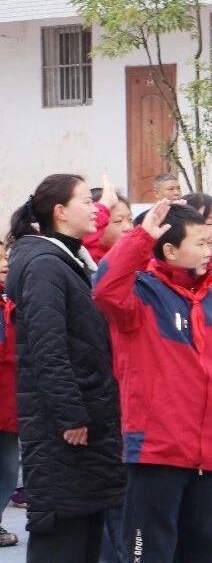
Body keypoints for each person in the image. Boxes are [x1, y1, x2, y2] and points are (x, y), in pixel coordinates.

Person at [92, 200, 212, 563]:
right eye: (200, 243)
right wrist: (140, 237)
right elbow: (105, 287)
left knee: (205, 551)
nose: (209, 251)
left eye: (210, 242)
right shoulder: (140, 296)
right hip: (159, 450)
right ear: (171, 250)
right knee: (151, 551)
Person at [5, 173, 126, 562]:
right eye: (86, 202)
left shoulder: (67, 259)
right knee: (63, 532)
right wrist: (71, 414)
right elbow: (48, 348)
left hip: (88, 418)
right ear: (60, 211)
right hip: (65, 427)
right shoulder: (45, 265)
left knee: (85, 528)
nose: (95, 210)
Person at [0, 240, 19, 548]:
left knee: (8, 467)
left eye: (4, 255)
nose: (4, 262)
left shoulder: (11, 301)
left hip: (9, 404)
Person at [86, 176, 132, 262]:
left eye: (130, 220)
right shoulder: (90, 257)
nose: (128, 228)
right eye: (118, 221)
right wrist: (104, 205)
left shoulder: (131, 254)